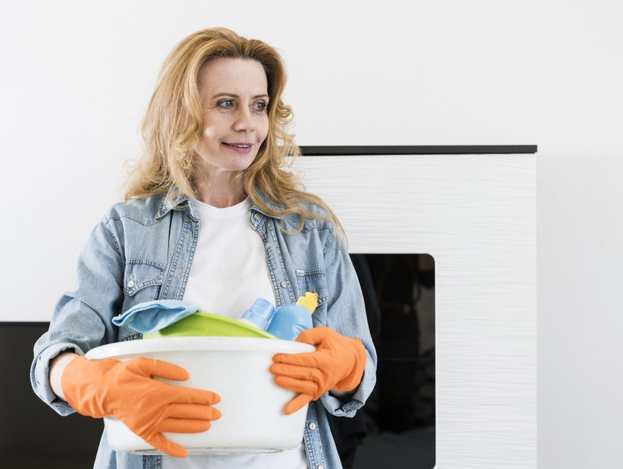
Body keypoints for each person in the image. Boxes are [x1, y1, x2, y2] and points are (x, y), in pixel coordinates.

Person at [30, 27, 377, 469]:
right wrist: (84, 380)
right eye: (225, 103)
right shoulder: (127, 229)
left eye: (259, 105)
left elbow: (359, 373)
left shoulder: (309, 230)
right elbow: (55, 353)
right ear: (181, 113)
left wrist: (347, 365)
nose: (248, 123)